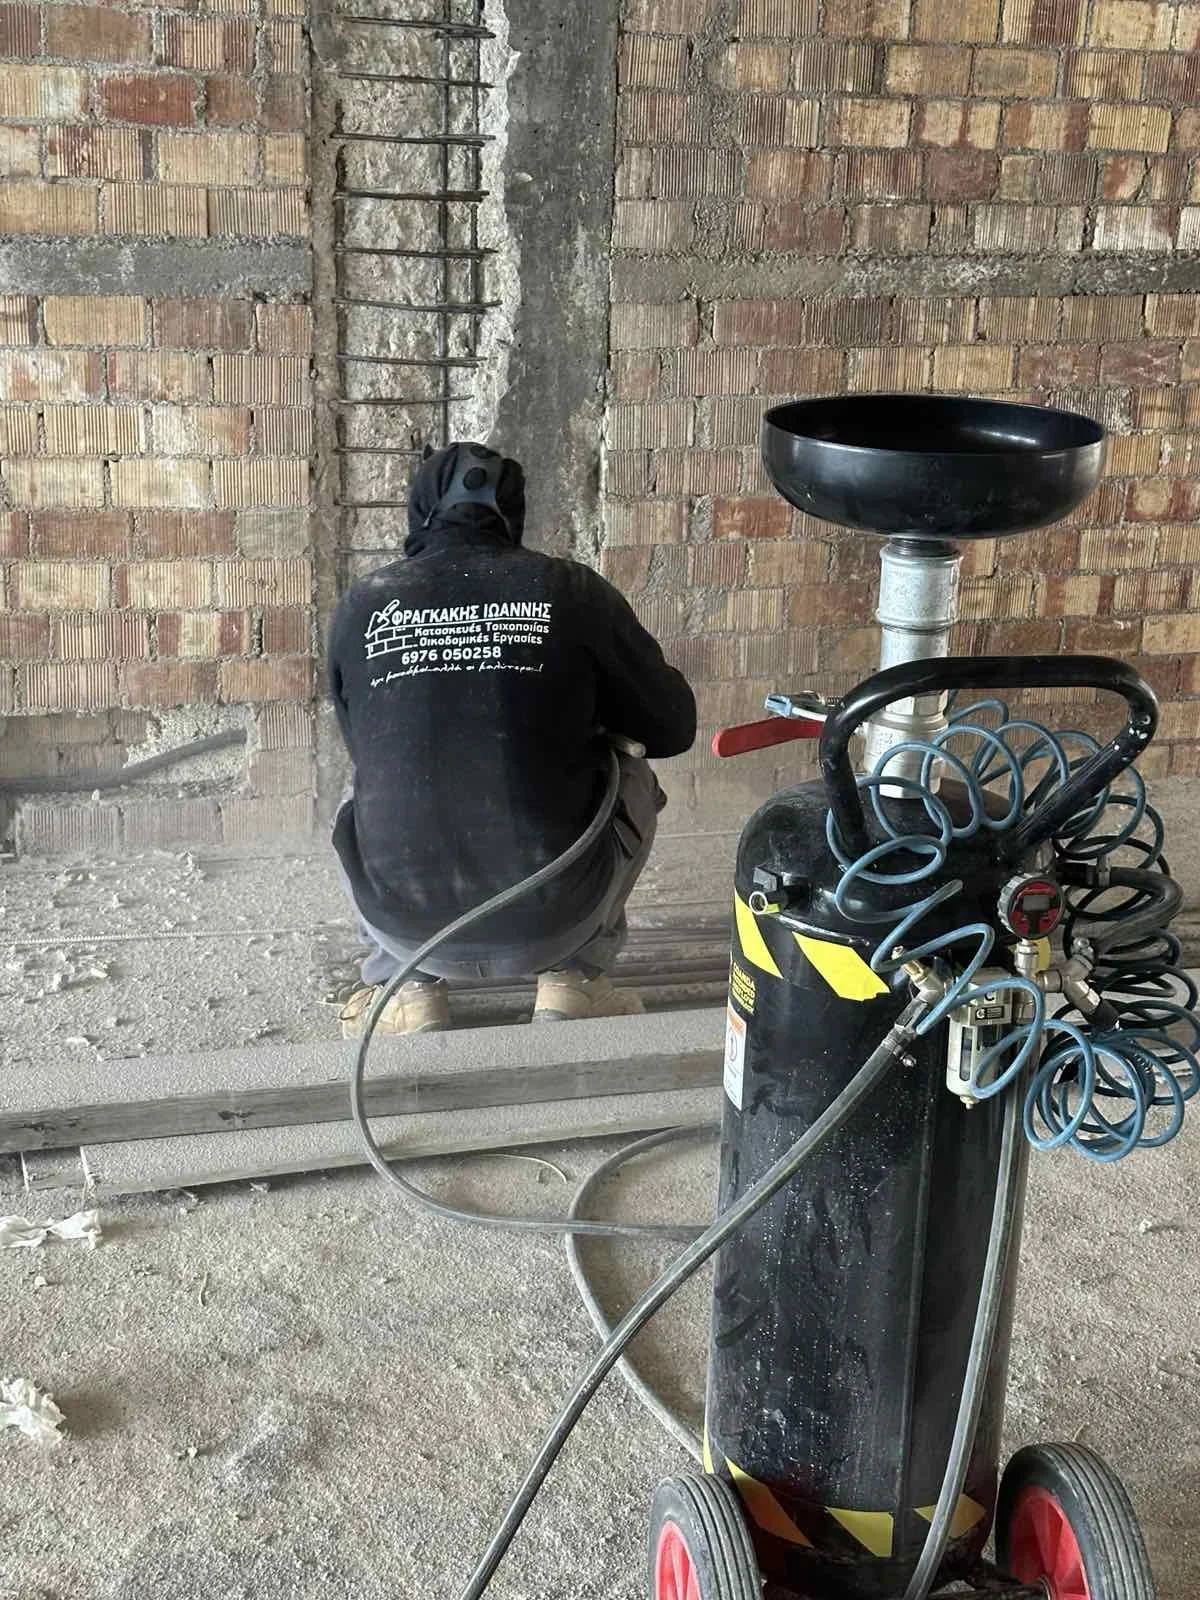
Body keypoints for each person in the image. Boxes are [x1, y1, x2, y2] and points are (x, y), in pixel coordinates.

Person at [329, 441, 697, 1036]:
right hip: (556, 919)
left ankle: (407, 989)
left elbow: (358, 737)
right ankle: (575, 980)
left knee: (371, 774)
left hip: (404, 927)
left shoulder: (364, 602)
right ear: (513, 512)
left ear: (419, 509)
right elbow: (671, 728)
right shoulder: (569, 590)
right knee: (630, 770)